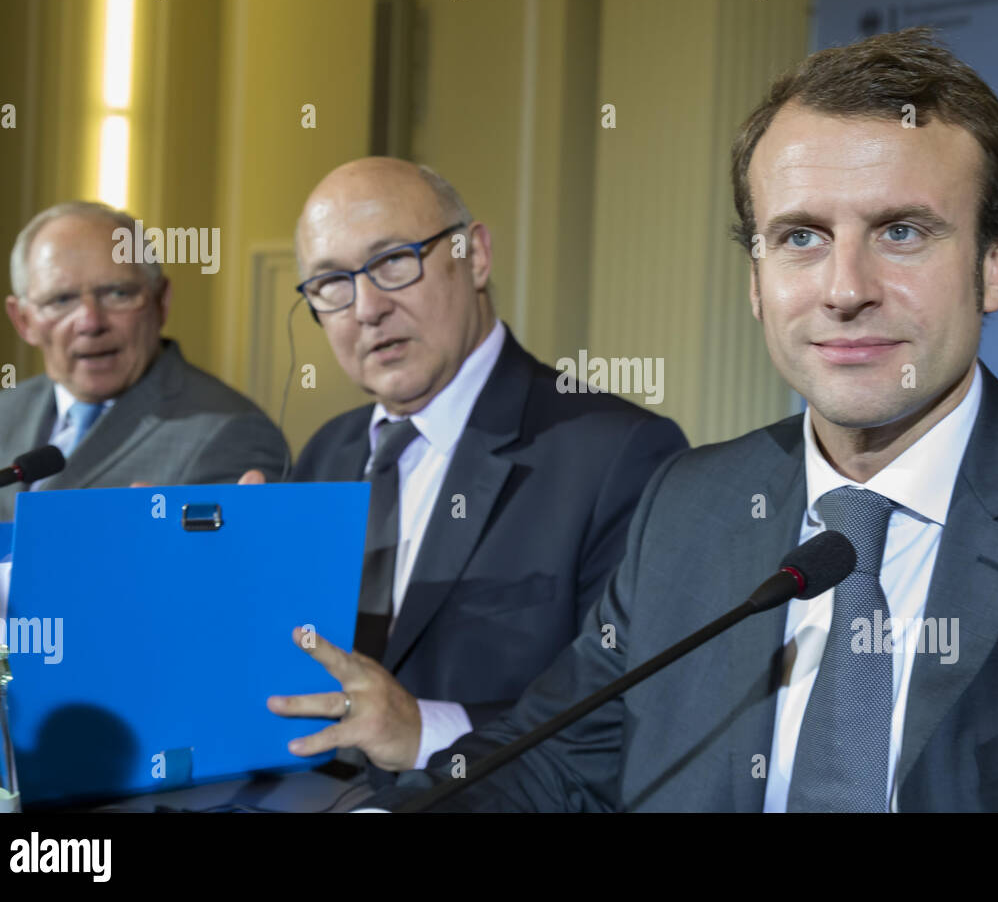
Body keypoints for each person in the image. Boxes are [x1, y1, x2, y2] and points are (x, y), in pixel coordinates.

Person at [359, 27, 998, 812]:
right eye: (801, 237)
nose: (845, 289)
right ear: (755, 282)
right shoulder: (691, 505)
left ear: (996, 264)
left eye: (903, 232)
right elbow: (552, 765)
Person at [263, 158, 687, 782]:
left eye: (393, 262)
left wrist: (423, 733)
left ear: (476, 255)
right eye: (332, 283)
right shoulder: (327, 452)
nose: (367, 308)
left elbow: (624, 715)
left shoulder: (618, 454)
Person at [0, 201, 289, 525]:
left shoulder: (233, 431)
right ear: (23, 320)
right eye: (61, 300)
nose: (90, 322)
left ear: (161, 302)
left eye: (118, 293)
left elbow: (235, 572)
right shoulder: (0, 411)